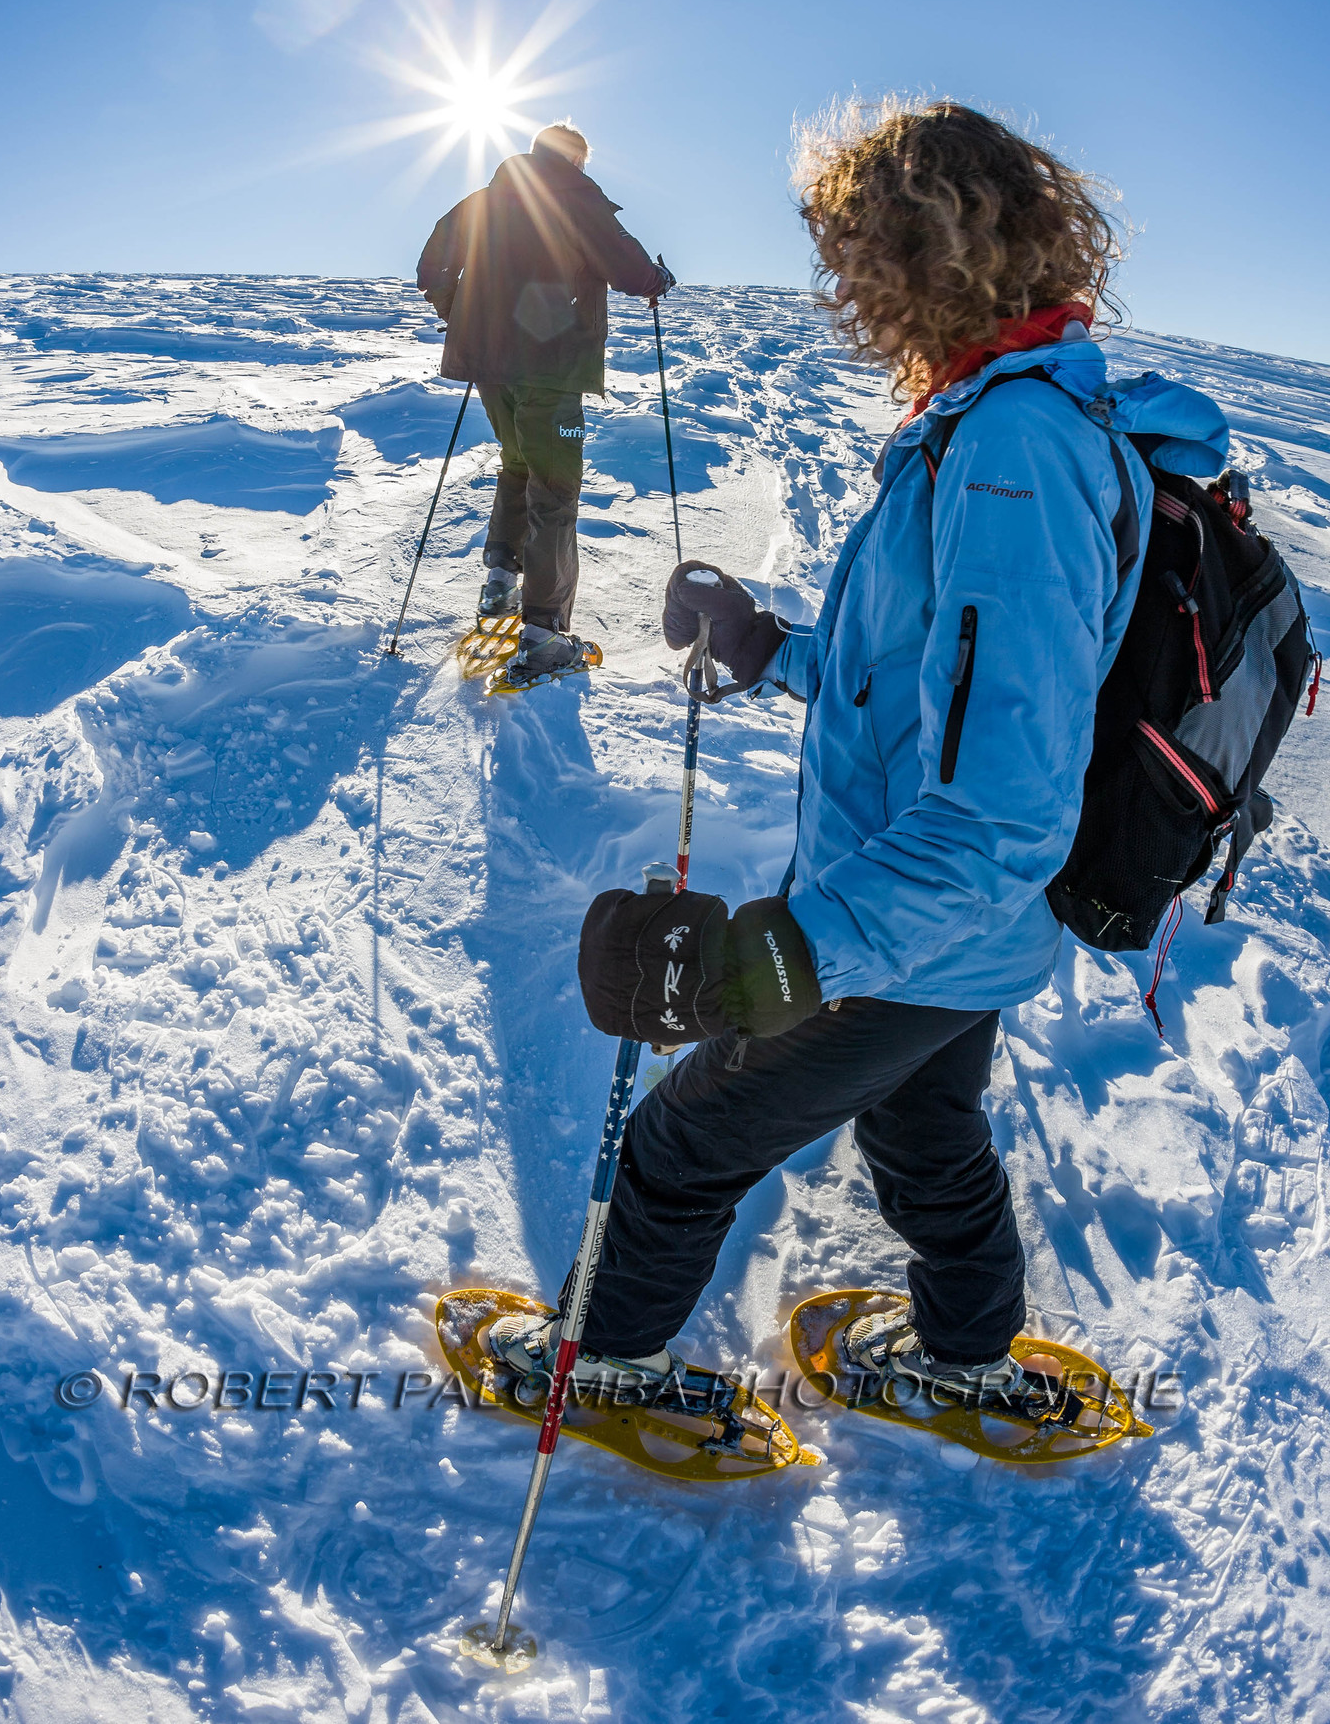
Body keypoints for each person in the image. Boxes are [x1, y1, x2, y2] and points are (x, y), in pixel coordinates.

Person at [491, 97, 1229, 1413]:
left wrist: (773, 954)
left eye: (851, 254)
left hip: (916, 919)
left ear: (925, 251)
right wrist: (770, 642)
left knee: (683, 1137)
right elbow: (919, 689)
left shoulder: (1015, 450)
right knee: (925, 1131)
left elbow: (1002, 810)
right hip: (950, 931)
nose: (838, 286)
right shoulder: (992, 418)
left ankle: (598, 1370)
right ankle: (968, 1358)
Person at [416, 122, 674, 686]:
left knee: (517, 465)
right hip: (550, 368)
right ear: (577, 161)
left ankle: (499, 588)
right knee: (555, 489)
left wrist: (458, 311)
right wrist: (658, 278)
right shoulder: (579, 201)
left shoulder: (483, 202)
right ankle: (546, 633)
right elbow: (628, 269)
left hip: (486, 363)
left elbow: (430, 265)